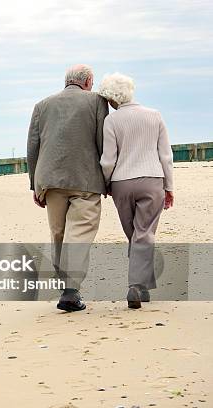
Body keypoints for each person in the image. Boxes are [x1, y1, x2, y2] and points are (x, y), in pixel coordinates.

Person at [27, 64, 109, 312]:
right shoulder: (96, 101)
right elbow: (102, 140)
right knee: (80, 232)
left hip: (50, 180)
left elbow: (33, 146)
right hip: (85, 178)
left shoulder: (42, 105)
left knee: (59, 234)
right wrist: (108, 177)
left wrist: (34, 184)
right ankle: (71, 291)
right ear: (88, 81)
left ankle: (66, 288)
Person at [98, 73, 174, 309]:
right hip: (152, 180)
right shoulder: (154, 115)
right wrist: (169, 186)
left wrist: (107, 183)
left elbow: (108, 160)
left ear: (111, 99)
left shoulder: (111, 121)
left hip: (122, 183)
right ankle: (137, 286)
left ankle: (140, 287)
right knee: (144, 234)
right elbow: (166, 156)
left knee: (135, 235)